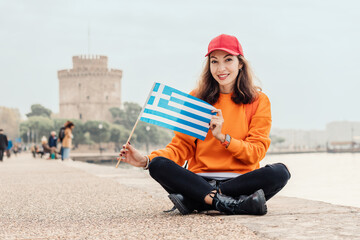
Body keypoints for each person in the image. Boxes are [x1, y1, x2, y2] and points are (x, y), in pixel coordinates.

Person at [119, 34, 291, 216]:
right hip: (200, 180)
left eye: (228, 60)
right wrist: (145, 161)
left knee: (280, 172)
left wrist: (224, 138)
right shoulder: (196, 98)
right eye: (214, 61)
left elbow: (255, 153)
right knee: (158, 165)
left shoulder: (258, 100)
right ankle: (230, 203)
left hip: (240, 181)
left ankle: (199, 200)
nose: (221, 68)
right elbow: (180, 148)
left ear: (240, 63)